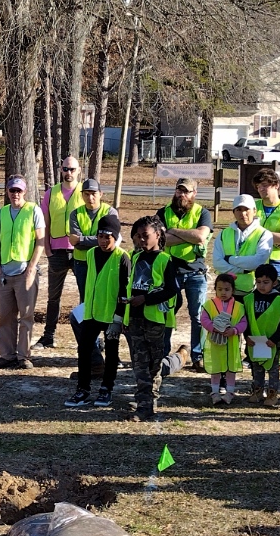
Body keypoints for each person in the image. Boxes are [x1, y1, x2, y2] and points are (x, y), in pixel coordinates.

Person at [64, 214, 128, 408]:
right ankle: (83, 390)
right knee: (83, 350)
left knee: (111, 353)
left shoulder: (122, 258)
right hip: (91, 313)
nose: (103, 240)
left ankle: (106, 389)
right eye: (100, 236)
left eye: (107, 236)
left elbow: (125, 289)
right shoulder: (91, 254)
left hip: (111, 315)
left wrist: (119, 317)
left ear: (115, 237)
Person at [125, 215, 180, 421]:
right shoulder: (136, 257)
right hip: (135, 319)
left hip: (156, 320)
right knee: (139, 363)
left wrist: (146, 299)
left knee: (153, 365)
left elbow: (171, 290)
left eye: (145, 235)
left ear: (158, 235)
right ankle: (143, 404)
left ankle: (150, 402)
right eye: (138, 236)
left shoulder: (166, 260)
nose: (141, 240)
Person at [157, 178, 213, 369]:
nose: (182, 195)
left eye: (186, 191)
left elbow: (200, 237)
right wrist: (188, 236)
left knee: (198, 316)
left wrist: (172, 231)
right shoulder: (163, 212)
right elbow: (161, 241)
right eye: (179, 190)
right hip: (169, 271)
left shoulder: (203, 213)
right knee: (166, 314)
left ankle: (197, 355)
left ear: (194, 193)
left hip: (195, 271)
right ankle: (162, 353)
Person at [0, 175, 45, 369]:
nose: (15, 194)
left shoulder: (34, 210)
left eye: (19, 190)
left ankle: (24, 356)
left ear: (25, 191)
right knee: (6, 316)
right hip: (5, 272)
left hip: (25, 271)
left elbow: (40, 240)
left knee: (26, 316)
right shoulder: (2, 212)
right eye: (12, 190)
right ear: (7, 192)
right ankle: (6, 355)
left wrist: (32, 268)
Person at [34, 156, 84, 349]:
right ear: (61, 170)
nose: (69, 173)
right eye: (66, 169)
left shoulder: (84, 192)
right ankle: (48, 336)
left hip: (80, 252)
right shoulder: (51, 193)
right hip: (56, 252)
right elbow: (43, 223)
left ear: (78, 170)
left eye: (72, 169)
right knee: (53, 296)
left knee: (85, 296)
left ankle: (88, 336)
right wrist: (47, 248)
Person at [211, 194, 273, 298]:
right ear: (233, 212)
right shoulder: (223, 234)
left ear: (254, 211)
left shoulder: (264, 234)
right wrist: (243, 270)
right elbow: (217, 263)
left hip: (253, 293)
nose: (243, 213)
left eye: (246, 209)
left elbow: (257, 262)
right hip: (226, 293)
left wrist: (230, 259)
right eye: (238, 209)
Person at [245, 264, 280, 407]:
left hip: (271, 342)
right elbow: (246, 319)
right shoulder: (250, 298)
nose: (262, 286)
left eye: (266, 282)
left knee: (273, 369)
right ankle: (257, 390)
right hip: (255, 341)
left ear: (274, 283)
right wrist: (247, 336)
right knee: (256, 367)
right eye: (258, 282)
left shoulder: (279, 300)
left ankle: (272, 393)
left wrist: (274, 339)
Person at [201, 273, 247, 404]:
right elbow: (203, 320)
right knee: (216, 368)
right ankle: (215, 392)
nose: (223, 292)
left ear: (233, 290)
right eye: (220, 289)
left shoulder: (239, 306)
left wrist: (235, 330)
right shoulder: (209, 305)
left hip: (231, 343)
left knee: (230, 368)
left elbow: (243, 322)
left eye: (227, 289)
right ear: (215, 289)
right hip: (215, 343)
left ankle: (230, 392)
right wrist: (213, 328)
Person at [252, 168, 280, 293]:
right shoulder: (253, 206)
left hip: (278, 264)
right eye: (258, 186)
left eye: (264, 185)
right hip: (255, 261)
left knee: (278, 306)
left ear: (276, 185)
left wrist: (257, 231)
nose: (261, 189)